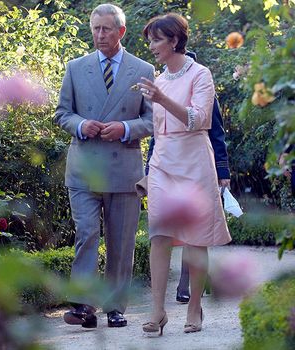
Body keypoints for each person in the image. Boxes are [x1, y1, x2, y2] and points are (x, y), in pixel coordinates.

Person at [54, 3, 154, 329]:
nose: (99, 35)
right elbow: (62, 114)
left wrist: (125, 128)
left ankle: (115, 306)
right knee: (86, 234)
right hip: (84, 166)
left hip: (124, 168)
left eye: (106, 29)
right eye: (95, 28)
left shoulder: (143, 70)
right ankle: (83, 305)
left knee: (122, 240)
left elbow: (153, 120)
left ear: (121, 31)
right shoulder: (75, 67)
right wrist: (82, 125)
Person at [139, 13, 231, 335]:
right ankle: (157, 310)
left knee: (195, 237)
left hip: (194, 161)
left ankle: (194, 306)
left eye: (155, 40)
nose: (150, 46)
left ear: (174, 41)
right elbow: (157, 133)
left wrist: (162, 99)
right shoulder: (159, 80)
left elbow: (200, 119)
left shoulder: (201, 74)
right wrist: (147, 172)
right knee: (159, 234)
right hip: (163, 163)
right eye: (150, 40)